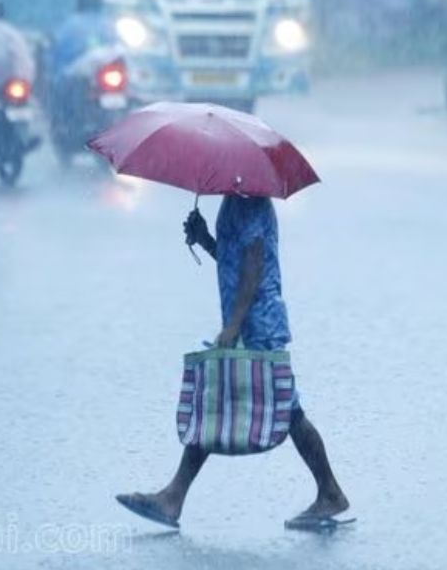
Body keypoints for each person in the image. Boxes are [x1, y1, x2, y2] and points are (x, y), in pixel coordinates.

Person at [115, 196, 349, 528]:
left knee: (274, 409)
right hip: (247, 321)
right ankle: (174, 496)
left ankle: (330, 492)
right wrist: (206, 239)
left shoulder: (249, 198)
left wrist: (234, 324)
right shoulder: (234, 198)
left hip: (259, 324)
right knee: (227, 403)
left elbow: (253, 263)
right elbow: (235, 262)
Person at [49, 0, 116, 77]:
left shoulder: (70, 23)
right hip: (106, 72)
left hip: (77, 76)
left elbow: (56, 49)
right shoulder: (109, 24)